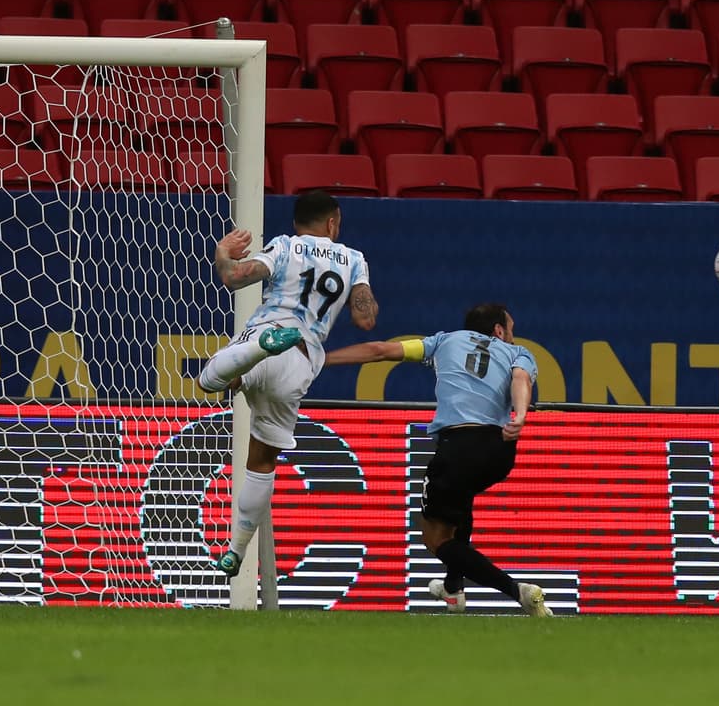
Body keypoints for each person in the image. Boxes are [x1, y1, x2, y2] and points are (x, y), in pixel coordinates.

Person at [324, 303, 552, 617]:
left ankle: (518, 592)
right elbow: (521, 380)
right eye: (510, 328)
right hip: (499, 449)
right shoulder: (518, 353)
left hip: (459, 444)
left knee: (435, 537)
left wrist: (321, 359)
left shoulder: (443, 341)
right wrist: (521, 415)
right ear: (499, 330)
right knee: (460, 501)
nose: (511, 334)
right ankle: (453, 590)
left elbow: (379, 350)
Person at [198, 190, 378, 578]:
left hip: (269, 332)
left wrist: (222, 252)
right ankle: (236, 550)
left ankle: (250, 356)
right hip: (300, 363)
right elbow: (366, 319)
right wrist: (359, 293)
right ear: (333, 223)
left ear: (298, 222)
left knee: (209, 379)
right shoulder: (354, 260)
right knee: (262, 463)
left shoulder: (285, 246)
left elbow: (233, 278)